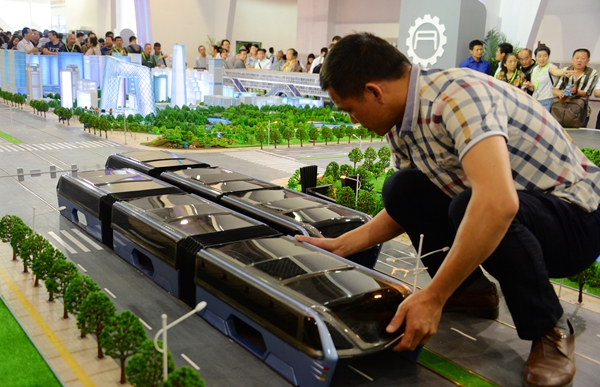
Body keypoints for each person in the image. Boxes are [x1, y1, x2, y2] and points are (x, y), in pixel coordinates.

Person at [297, 33, 600, 387]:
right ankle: (472, 292)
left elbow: (497, 203)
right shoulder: (401, 122)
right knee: (401, 188)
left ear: (374, 92)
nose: (351, 120)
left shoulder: (458, 97)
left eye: (349, 109)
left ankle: (550, 329)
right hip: (521, 212)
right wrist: (344, 244)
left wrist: (433, 296)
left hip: (577, 221)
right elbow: (406, 206)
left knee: (473, 204)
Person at [553, 48, 598, 126]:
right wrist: (559, 93)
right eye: (577, 58)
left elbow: (586, 93)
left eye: (583, 58)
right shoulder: (565, 70)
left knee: (579, 136)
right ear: (572, 59)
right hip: (562, 109)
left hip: (580, 111)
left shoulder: (592, 73)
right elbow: (555, 90)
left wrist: (576, 91)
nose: (579, 60)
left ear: (588, 61)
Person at [522, 45, 573, 111]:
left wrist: (563, 72)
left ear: (548, 57)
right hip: (535, 100)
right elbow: (533, 88)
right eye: (539, 56)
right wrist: (529, 86)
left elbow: (555, 72)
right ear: (535, 57)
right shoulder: (534, 69)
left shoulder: (551, 67)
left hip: (548, 100)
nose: (542, 59)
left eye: (545, 56)